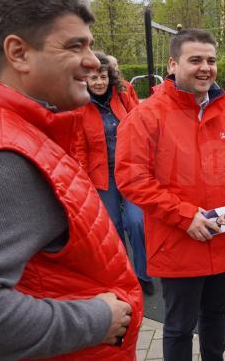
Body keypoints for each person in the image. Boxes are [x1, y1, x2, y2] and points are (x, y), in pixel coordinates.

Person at [0, 0, 143, 359]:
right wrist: (96, 320)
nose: (92, 60)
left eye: (89, 44)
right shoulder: (4, 157)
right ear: (19, 53)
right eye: (75, 45)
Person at [114, 29, 225, 361]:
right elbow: (131, 177)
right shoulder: (147, 115)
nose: (205, 67)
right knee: (179, 327)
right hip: (177, 243)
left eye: (211, 60)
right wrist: (184, 215)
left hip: (224, 242)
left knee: (215, 318)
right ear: (173, 64)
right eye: (195, 60)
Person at [72, 51, 153, 296]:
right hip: (101, 175)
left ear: (110, 76)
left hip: (129, 170)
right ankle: (122, 275)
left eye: (103, 77)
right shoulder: (79, 104)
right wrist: (84, 183)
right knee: (113, 227)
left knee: (136, 222)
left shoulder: (124, 93)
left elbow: (141, 124)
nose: (98, 82)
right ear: (85, 79)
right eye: (93, 78)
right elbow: (79, 147)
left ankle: (143, 273)